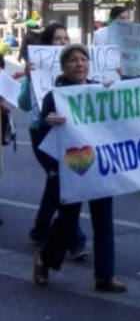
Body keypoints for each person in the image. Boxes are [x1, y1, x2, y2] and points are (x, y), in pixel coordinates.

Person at [32, 44, 126, 292]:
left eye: (83, 59)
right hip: (70, 167)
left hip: (99, 164)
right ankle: (44, 259)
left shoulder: (98, 88)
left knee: (103, 219)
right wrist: (48, 121)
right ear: (64, 67)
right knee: (67, 219)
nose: (79, 64)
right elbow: (42, 133)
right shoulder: (54, 95)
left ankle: (105, 276)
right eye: (73, 60)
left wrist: (113, 89)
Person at [19, 23, 88, 259]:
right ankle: (75, 240)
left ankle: (40, 230)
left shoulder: (75, 66)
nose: (62, 42)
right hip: (42, 131)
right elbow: (24, 104)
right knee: (61, 180)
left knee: (56, 181)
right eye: (57, 39)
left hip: (69, 132)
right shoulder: (36, 68)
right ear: (47, 43)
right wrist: (29, 78)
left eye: (65, 38)